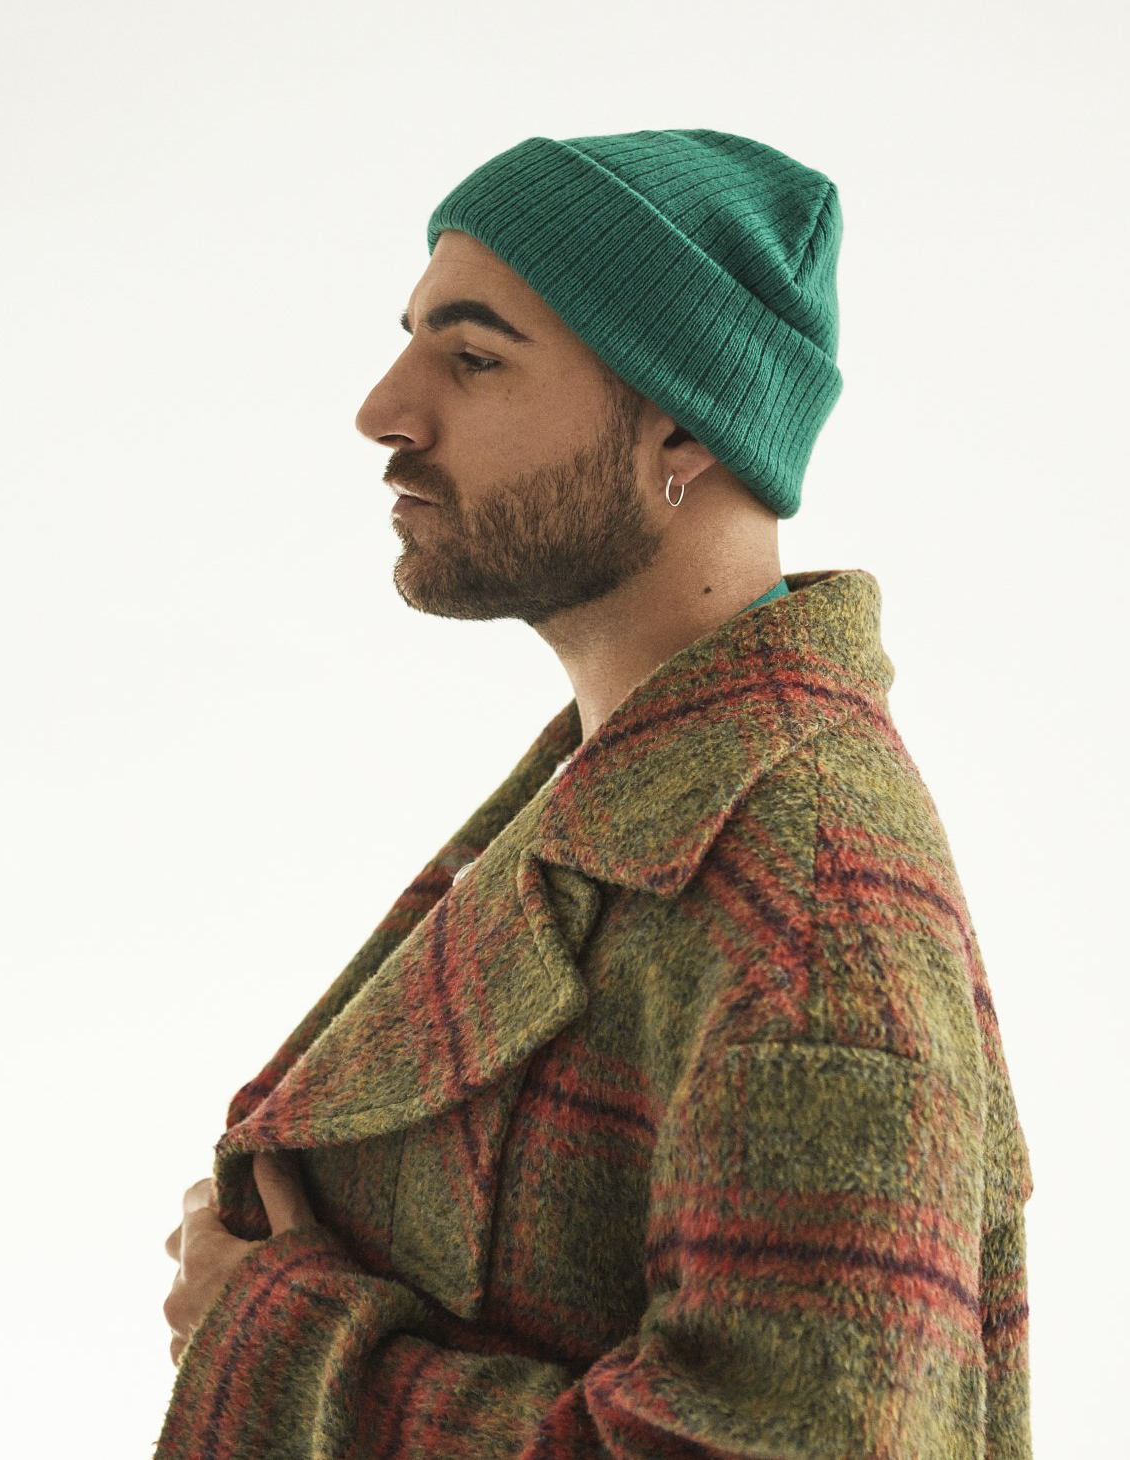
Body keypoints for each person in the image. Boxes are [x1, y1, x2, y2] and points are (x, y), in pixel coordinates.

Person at [155, 128, 1033, 1459]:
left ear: (683, 422)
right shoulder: (629, 794)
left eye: (474, 358)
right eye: (410, 342)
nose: (384, 410)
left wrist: (283, 1345)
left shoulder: (805, 900)